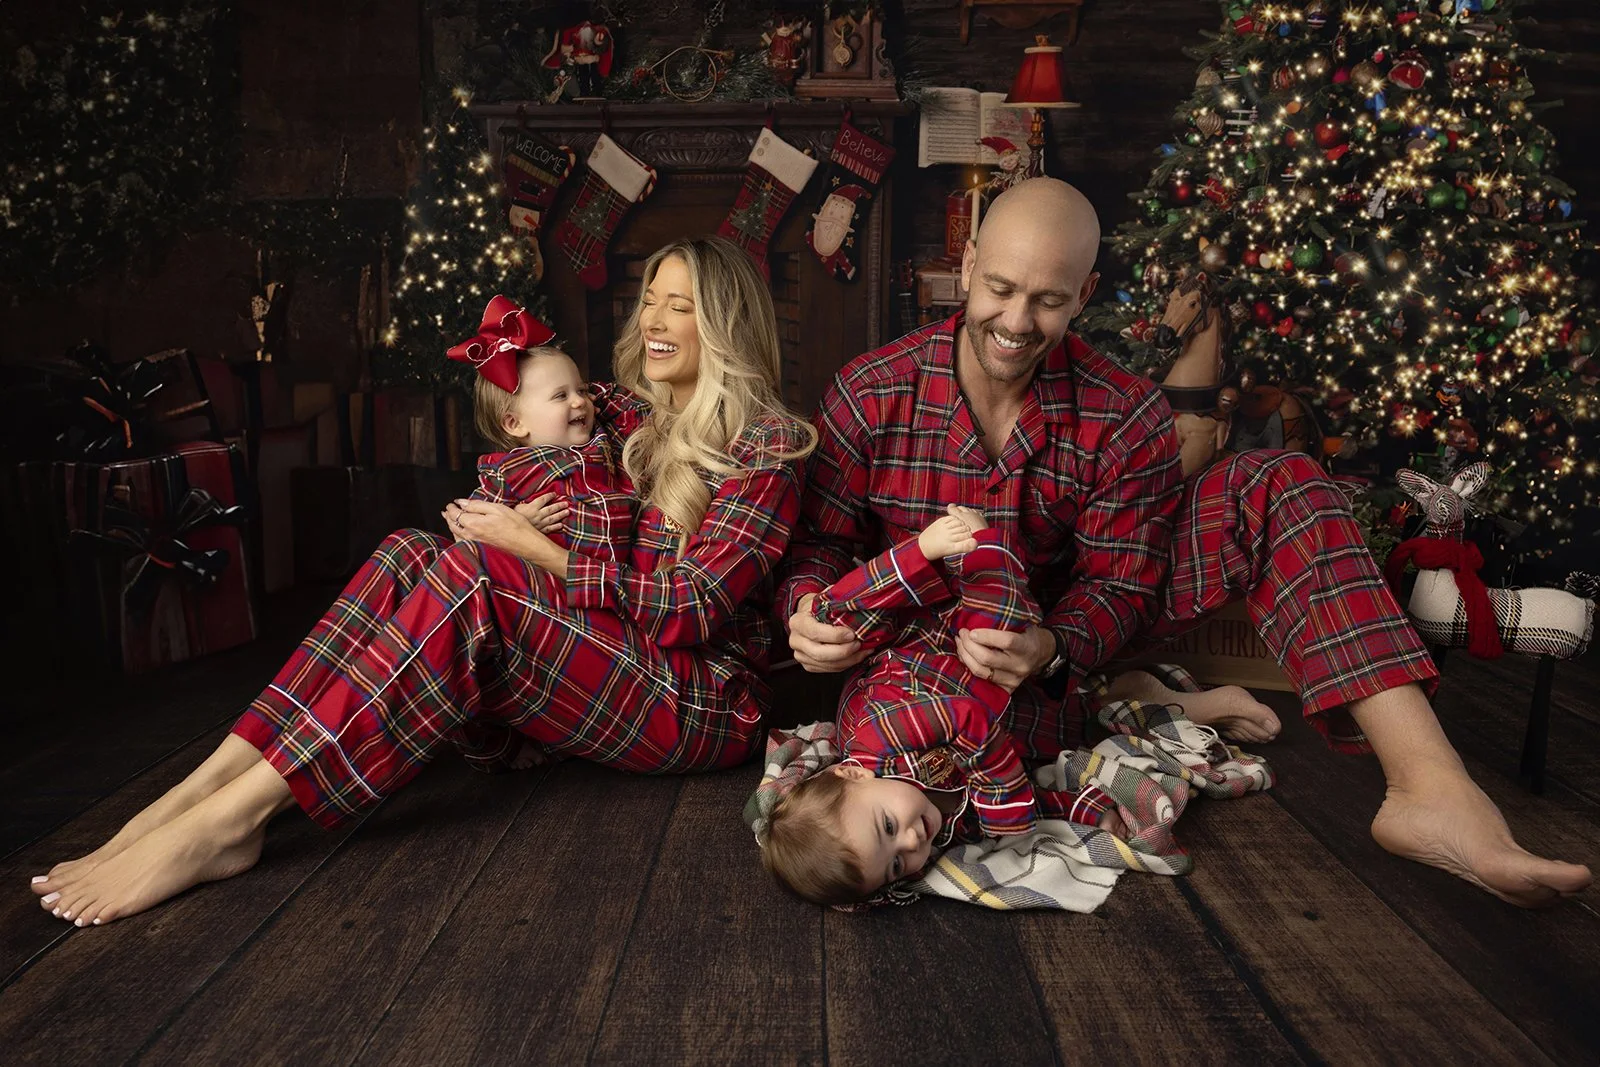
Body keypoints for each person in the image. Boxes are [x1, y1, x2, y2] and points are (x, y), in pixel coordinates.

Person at [779, 177, 1592, 908]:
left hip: (1065, 634)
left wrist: (1054, 642)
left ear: (1088, 293)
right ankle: (1150, 701)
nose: (1019, 322)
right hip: (918, 650)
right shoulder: (870, 389)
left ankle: (1428, 786)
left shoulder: (1126, 410)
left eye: (1051, 301)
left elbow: (1123, 586)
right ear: (965, 268)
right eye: (999, 289)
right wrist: (808, 610)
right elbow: (821, 542)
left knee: (1285, 479)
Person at [30, 235, 817, 927]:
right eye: (648, 299)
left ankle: (229, 823)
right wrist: (510, 504)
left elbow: (693, 607)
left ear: (721, 324)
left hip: (700, 697)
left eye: (677, 306)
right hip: (612, 656)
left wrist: (531, 548)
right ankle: (197, 791)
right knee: (411, 548)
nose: (651, 320)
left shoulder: (768, 445)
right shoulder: (616, 410)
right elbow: (520, 401)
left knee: (478, 575)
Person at [762, 504, 1125, 905]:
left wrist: (1002, 807)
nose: (912, 840)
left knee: (833, 613)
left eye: (887, 826)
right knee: (1058, 735)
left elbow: (966, 720)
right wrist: (1086, 810)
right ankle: (1098, 701)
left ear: (852, 774)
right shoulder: (941, 827)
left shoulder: (880, 738)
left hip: (932, 646)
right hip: (1005, 697)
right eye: (897, 866)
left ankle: (971, 553)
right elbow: (1023, 799)